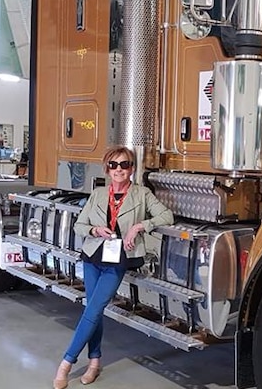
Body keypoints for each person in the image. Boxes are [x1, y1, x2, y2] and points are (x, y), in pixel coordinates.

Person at [53, 146, 173, 388]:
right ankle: (95, 361)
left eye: (125, 164)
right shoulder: (98, 194)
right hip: (93, 254)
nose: (119, 169)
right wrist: (95, 230)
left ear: (132, 168)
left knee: (95, 308)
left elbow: (166, 216)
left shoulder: (142, 194)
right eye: (114, 165)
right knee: (92, 309)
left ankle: (66, 363)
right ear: (107, 168)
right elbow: (79, 225)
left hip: (118, 259)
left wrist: (139, 226)